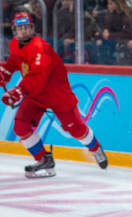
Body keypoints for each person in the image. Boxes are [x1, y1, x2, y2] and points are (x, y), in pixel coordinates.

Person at [0, 12, 108, 178]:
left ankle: (95, 148)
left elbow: (37, 76)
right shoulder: (15, 44)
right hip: (36, 95)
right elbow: (15, 61)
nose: (23, 31)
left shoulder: (39, 47)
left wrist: (18, 91)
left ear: (31, 28)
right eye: (19, 28)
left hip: (57, 95)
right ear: (14, 30)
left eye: (26, 27)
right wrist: (5, 73)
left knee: (76, 129)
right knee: (20, 126)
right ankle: (44, 160)